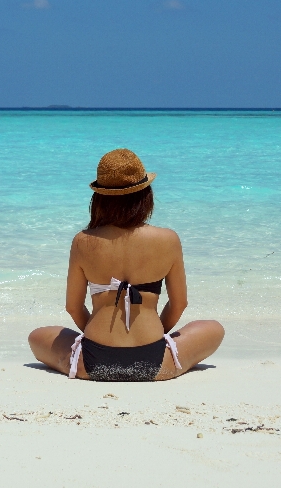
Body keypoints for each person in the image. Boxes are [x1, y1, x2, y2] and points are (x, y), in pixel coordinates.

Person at [28, 148, 224, 381]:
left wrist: (102, 338)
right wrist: (152, 335)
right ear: (145, 196)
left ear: (99, 198)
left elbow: (73, 307)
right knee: (213, 328)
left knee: (36, 336)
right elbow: (179, 304)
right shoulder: (168, 239)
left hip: (93, 361)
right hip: (155, 361)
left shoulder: (83, 241)